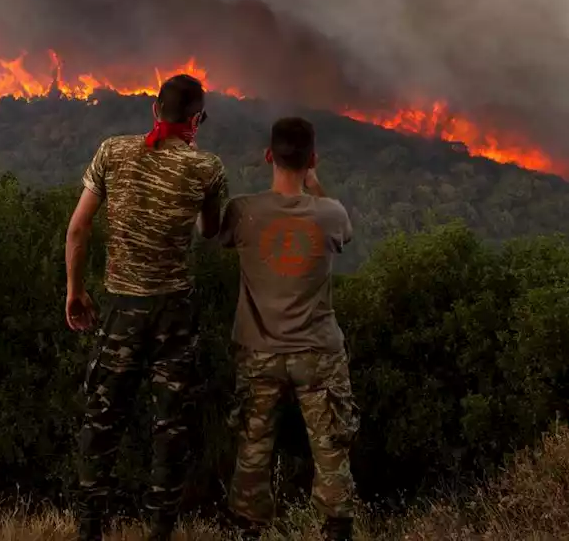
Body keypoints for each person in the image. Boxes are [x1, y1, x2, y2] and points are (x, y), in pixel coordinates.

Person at [64, 73, 228, 541]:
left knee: (101, 421)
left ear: (156, 111)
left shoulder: (112, 151)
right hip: (174, 314)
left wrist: (75, 291)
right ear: (196, 119)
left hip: (121, 309)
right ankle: (159, 530)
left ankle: (90, 528)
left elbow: (77, 230)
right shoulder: (207, 168)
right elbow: (210, 230)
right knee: (170, 428)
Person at [219, 117, 359, 541]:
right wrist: (315, 184)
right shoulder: (330, 213)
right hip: (318, 352)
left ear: (268, 156)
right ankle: (336, 530)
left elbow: (215, 235)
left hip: (258, 351)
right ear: (312, 159)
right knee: (331, 447)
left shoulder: (242, 211)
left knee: (253, 447)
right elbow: (345, 234)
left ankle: (248, 529)